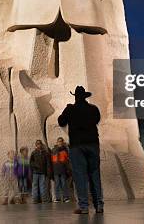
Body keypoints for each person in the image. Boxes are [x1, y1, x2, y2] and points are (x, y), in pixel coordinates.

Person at [58, 86, 103, 215]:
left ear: (75, 97)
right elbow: (97, 120)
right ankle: (99, 204)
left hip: (77, 145)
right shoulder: (93, 109)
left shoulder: (70, 109)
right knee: (95, 174)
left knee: (80, 176)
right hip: (93, 144)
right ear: (85, 97)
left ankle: (83, 206)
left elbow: (61, 122)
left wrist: (67, 111)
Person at [51, 137, 71, 202]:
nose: (60, 142)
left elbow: (67, 161)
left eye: (61, 141)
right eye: (59, 141)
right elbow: (51, 161)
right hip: (56, 170)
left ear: (62, 142)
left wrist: (68, 170)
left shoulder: (65, 150)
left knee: (64, 184)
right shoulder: (53, 150)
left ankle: (66, 197)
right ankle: (57, 198)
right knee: (56, 185)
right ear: (57, 142)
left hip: (63, 170)